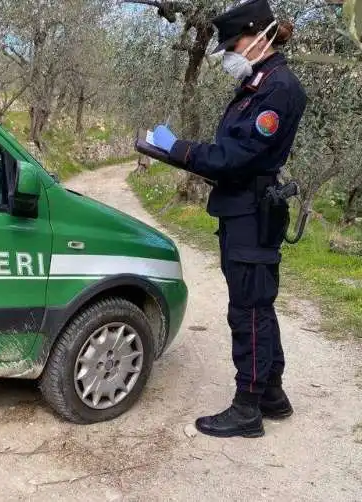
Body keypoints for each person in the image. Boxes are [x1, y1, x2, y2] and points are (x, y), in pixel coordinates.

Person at [149, 0, 308, 438]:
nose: (230, 54)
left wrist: (177, 149)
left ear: (259, 35)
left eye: (233, 44)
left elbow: (236, 157)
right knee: (257, 303)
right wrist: (175, 150)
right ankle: (272, 394)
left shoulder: (278, 88)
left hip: (252, 214)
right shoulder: (259, 84)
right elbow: (232, 151)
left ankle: (247, 408)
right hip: (244, 211)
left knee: (248, 310)